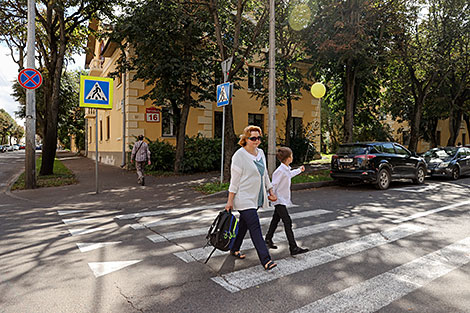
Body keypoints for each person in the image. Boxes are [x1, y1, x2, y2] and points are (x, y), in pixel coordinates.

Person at [225, 125, 278, 270]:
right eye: (253, 138)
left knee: (243, 225)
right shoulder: (239, 156)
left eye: (258, 138)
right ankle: (266, 260)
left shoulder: (260, 153)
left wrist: (270, 190)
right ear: (245, 139)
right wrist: (230, 201)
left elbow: (265, 174)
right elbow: (234, 181)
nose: (256, 141)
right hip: (243, 197)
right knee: (255, 226)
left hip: (255, 197)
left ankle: (234, 248)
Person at [265, 147, 309, 256]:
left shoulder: (285, 169)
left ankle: (268, 239)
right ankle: (293, 247)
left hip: (282, 200)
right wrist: (270, 196)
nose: (292, 157)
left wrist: (299, 170)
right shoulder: (279, 171)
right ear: (288, 158)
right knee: (287, 222)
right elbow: (273, 185)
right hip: (279, 200)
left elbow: (289, 174)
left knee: (275, 219)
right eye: (292, 155)